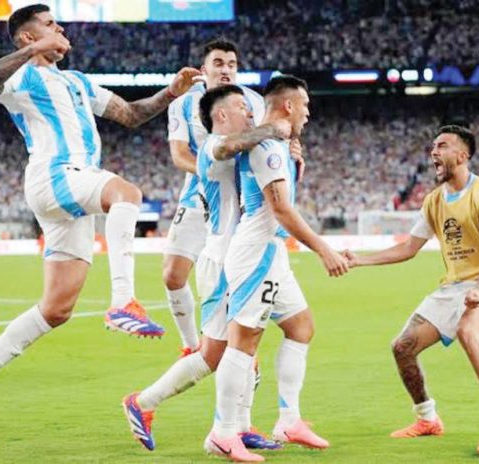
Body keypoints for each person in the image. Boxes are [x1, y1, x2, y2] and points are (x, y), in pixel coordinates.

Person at [0, 3, 200, 437]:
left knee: (57, 309)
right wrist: (35, 50)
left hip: (70, 189)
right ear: (28, 37)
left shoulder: (77, 82)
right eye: (49, 25)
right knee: (127, 193)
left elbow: (132, 115)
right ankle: (123, 302)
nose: (59, 29)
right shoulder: (23, 75)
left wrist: (171, 92)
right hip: (55, 174)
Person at [122, 84, 291, 453]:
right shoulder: (213, 146)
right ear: (220, 116)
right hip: (221, 260)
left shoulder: (241, 150)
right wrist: (271, 130)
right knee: (215, 354)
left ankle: (241, 427)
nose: (250, 112)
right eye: (242, 107)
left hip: (242, 256)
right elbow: (232, 146)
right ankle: (144, 403)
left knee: (247, 342)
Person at [343, 125, 479, 456]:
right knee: (402, 347)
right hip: (455, 285)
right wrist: (360, 262)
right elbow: (408, 249)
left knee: (469, 332)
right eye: (433, 147)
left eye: (442, 146)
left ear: (462, 154)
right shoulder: (433, 201)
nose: (433, 152)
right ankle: (427, 419)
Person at [204, 75, 349, 462]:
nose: (308, 113)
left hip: (272, 252)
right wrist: (323, 249)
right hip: (255, 252)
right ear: (287, 105)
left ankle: (288, 419)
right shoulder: (266, 146)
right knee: (244, 341)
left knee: (300, 327)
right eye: (304, 106)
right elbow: (280, 209)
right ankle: (223, 432)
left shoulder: (276, 145)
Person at [163, 39, 265, 355]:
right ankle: (191, 345)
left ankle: (245, 356)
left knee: (233, 283)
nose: (225, 70)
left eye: (231, 64)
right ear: (203, 70)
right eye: (218, 63)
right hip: (197, 198)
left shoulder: (254, 102)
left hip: (238, 203)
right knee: (172, 275)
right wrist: (209, 174)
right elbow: (179, 154)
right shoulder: (182, 104)